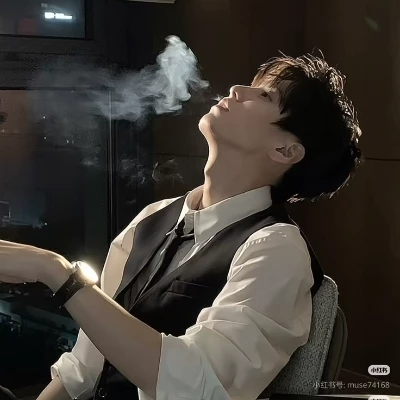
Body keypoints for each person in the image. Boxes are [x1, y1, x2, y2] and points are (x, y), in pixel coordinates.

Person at [0, 54, 362, 400]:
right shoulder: (153, 218)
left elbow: (199, 386)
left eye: (265, 96)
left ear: (285, 151)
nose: (237, 90)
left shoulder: (276, 248)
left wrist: (57, 272)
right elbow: (84, 370)